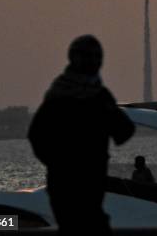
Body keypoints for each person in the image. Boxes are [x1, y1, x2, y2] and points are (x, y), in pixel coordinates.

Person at [28, 35, 135, 234]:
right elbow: (124, 131)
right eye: (88, 56)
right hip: (74, 182)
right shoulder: (95, 97)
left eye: (96, 57)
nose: (93, 62)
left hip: (76, 181)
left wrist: (55, 162)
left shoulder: (61, 94)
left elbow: (123, 131)